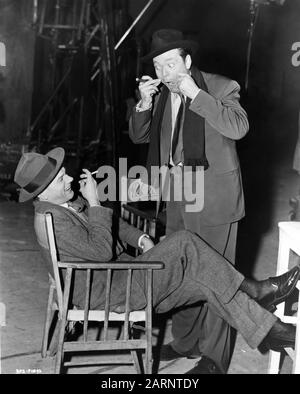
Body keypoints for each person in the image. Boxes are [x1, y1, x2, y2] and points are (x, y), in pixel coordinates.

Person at [14, 148, 299, 374]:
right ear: (43, 192)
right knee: (185, 241)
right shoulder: (52, 218)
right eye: (61, 179)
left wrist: (139, 238)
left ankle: (276, 331)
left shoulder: (61, 204)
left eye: (65, 173)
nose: (70, 179)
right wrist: (97, 203)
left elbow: (108, 228)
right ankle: (257, 291)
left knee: (206, 279)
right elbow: (101, 250)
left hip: (120, 277)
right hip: (112, 291)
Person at [129, 28, 249, 373]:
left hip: (215, 198)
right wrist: (144, 104)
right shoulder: (162, 94)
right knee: (183, 272)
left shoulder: (221, 86)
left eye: (171, 65)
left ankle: (214, 358)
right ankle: (186, 341)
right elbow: (140, 135)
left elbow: (238, 127)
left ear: (188, 61)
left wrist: (195, 93)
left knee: (218, 278)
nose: (166, 74)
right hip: (179, 197)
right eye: (159, 67)